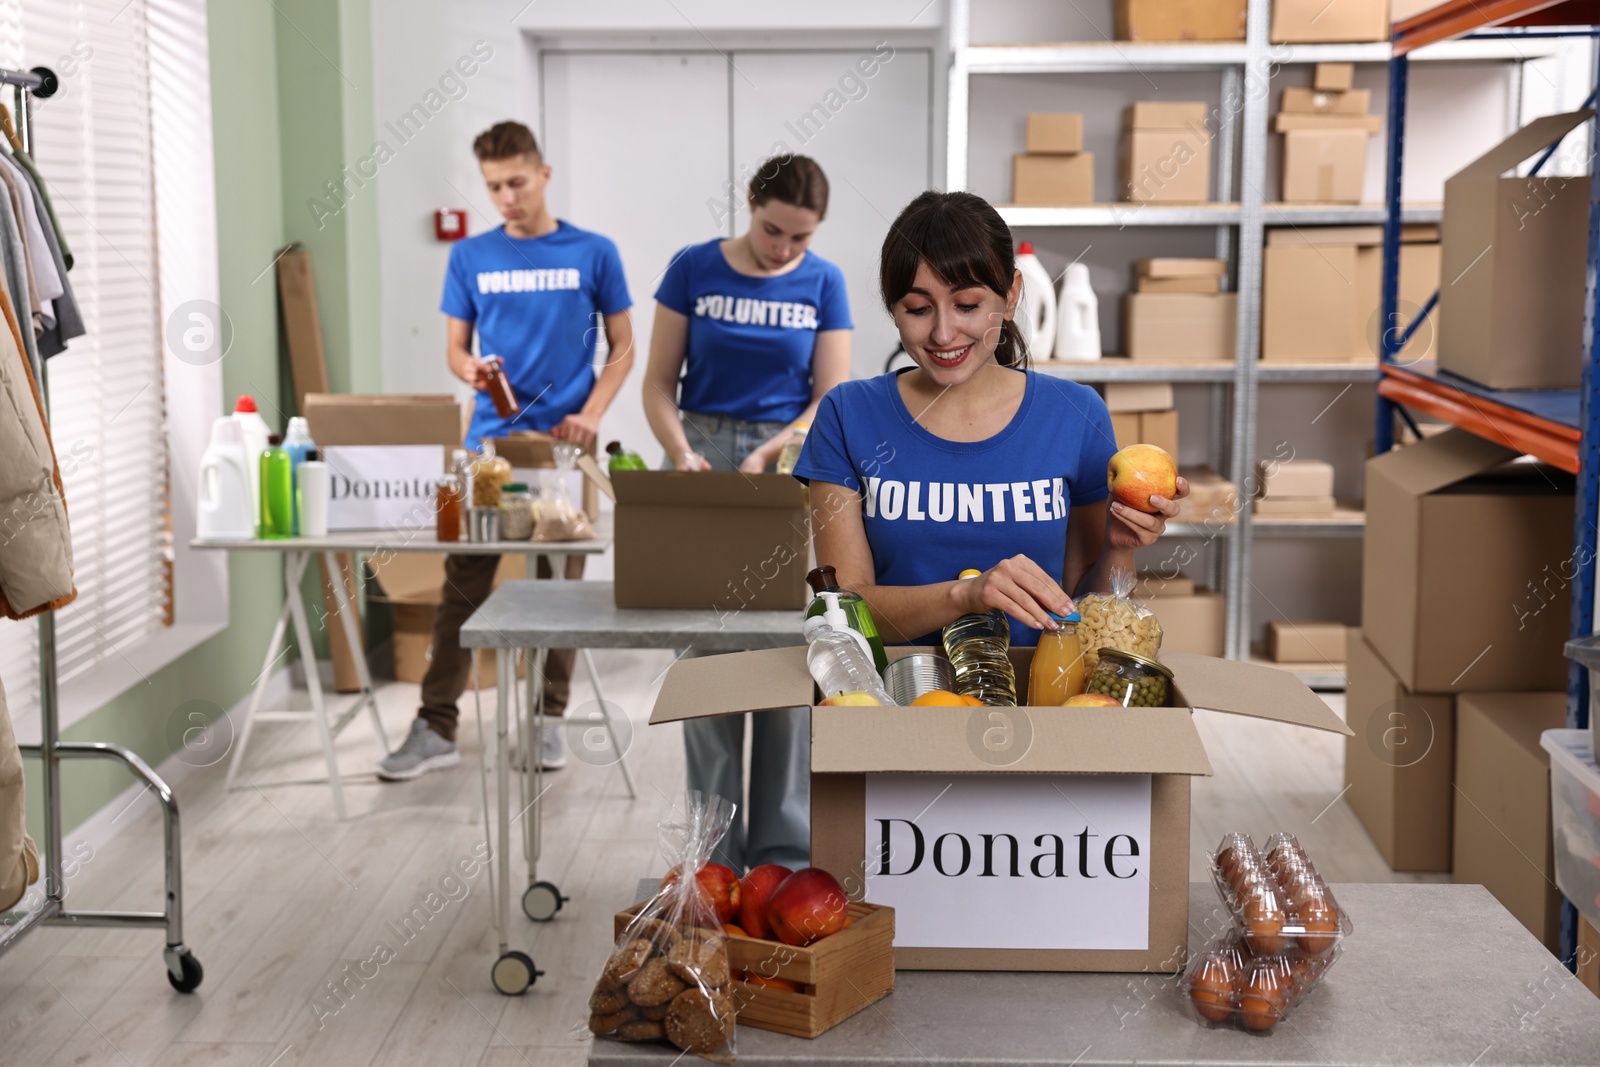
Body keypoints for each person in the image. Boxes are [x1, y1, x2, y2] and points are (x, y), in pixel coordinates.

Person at [792, 190, 1187, 656]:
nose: (942, 334)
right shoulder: (847, 414)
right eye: (917, 310)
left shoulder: (1075, 413)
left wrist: (1120, 545)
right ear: (893, 308)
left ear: (1012, 294)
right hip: (892, 698)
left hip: (1036, 692)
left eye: (967, 305)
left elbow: (1084, 606)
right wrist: (966, 595)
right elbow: (846, 610)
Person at [378, 121, 634, 781]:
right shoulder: (470, 257)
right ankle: (435, 725)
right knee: (463, 587)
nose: (506, 197)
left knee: (560, 591)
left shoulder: (595, 252)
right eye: (494, 186)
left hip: (562, 453)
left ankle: (548, 718)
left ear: (544, 174)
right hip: (486, 449)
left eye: (517, 182)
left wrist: (591, 413)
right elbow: (455, 348)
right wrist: (466, 368)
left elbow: (624, 347)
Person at [642, 154, 851, 870]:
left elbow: (830, 396)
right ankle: (714, 853)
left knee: (788, 650)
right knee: (705, 652)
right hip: (700, 456)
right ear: (751, 204)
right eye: (772, 230)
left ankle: (782, 852)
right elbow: (658, 383)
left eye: (800, 237)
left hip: (788, 465)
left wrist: (776, 449)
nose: (784, 249)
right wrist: (679, 450)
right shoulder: (693, 268)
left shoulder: (824, 283)